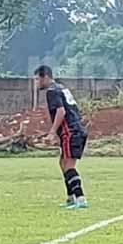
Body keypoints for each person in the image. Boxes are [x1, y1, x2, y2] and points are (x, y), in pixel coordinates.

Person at [35, 65, 89, 209]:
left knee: (68, 165)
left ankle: (80, 198)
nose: (36, 83)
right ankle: (71, 198)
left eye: (37, 79)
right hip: (76, 129)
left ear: (45, 77)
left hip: (71, 131)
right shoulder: (61, 88)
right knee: (62, 163)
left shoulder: (52, 91)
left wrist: (52, 132)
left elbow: (61, 111)